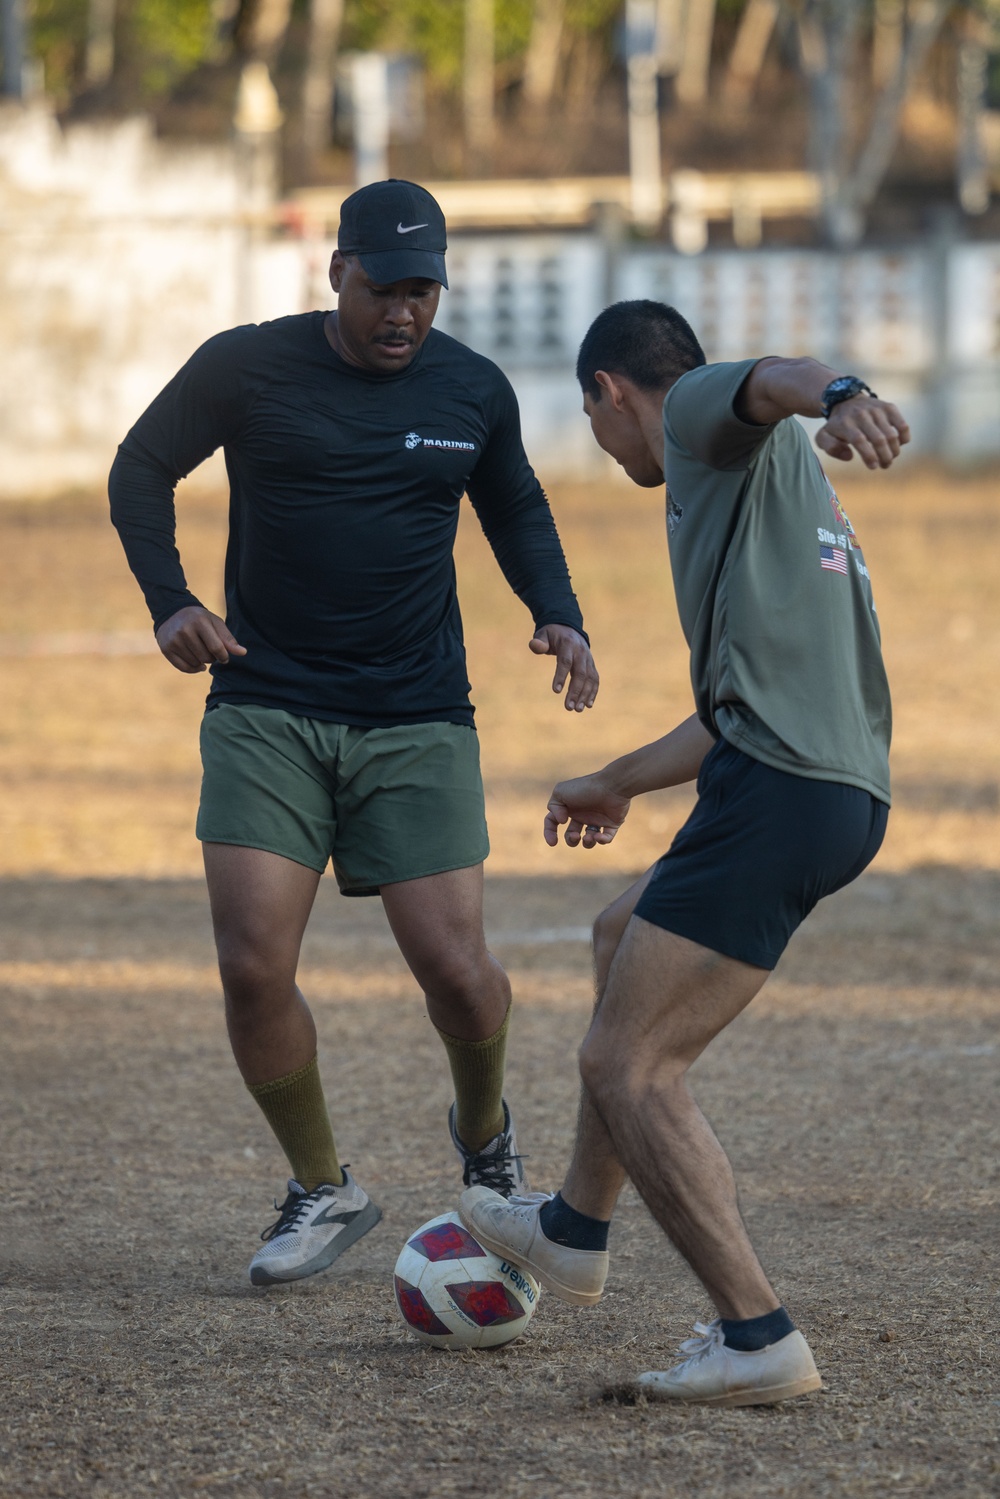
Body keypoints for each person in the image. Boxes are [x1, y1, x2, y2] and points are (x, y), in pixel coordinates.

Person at [109, 179, 598, 1287]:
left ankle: (486, 1144)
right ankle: (321, 1185)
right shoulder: (246, 365)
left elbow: (513, 503)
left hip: (416, 715)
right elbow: (141, 466)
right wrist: (170, 599)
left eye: (423, 293)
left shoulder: (471, 386)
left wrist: (556, 611)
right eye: (385, 289)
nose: (403, 315)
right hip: (264, 702)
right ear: (339, 272)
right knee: (250, 963)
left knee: (461, 975)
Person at [460, 299, 908, 1407]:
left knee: (629, 1065)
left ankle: (756, 1334)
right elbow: (734, 706)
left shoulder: (703, 413)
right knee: (618, 929)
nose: (603, 442)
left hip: (782, 793)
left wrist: (842, 394)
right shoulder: (766, 491)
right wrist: (616, 778)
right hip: (820, 787)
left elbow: (772, 376)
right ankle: (572, 1224)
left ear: (613, 392)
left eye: (590, 415)